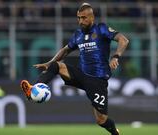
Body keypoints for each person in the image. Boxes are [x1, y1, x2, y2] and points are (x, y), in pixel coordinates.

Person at [20, 3, 129, 135]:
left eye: (84, 18)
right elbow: (65, 50)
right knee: (56, 65)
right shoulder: (78, 34)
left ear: (92, 17)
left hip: (97, 81)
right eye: (78, 18)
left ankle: (115, 133)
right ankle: (34, 89)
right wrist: (49, 63)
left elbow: (124, 40)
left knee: (101, 120)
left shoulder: (101, 29)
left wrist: (116, 57)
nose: (81, 21)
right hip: (82, 75)